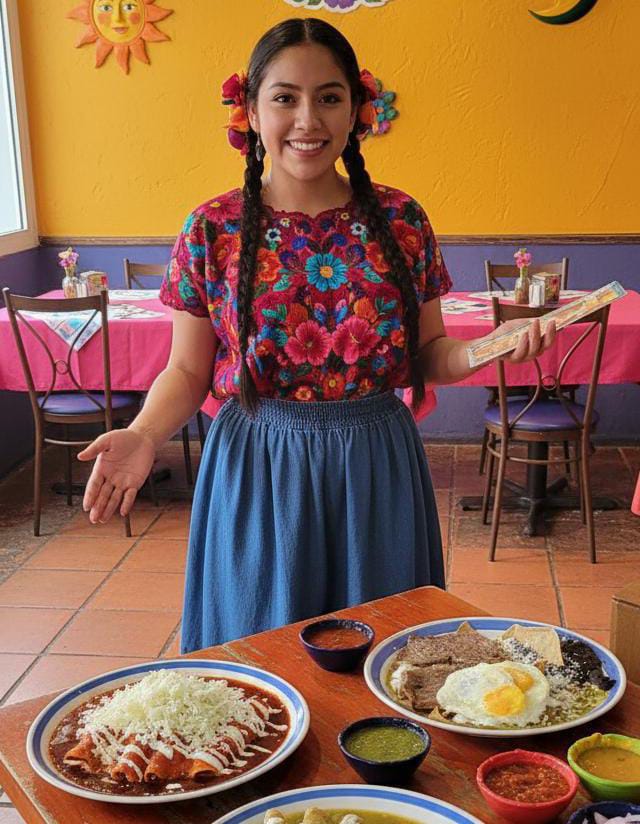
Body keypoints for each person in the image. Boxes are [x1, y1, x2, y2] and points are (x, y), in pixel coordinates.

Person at [78, 18, 556, 653]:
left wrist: (486, 351)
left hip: (376, 462)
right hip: (257, 466)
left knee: (385, 655)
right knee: (259, 656)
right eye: (285, 97)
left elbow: (430, 354)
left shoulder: (401, 218)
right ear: (250, 109)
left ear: (356, 109)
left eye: (329, 97)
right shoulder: (211, 228)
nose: (308, 119)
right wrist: (143, 433)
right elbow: (189, 372)